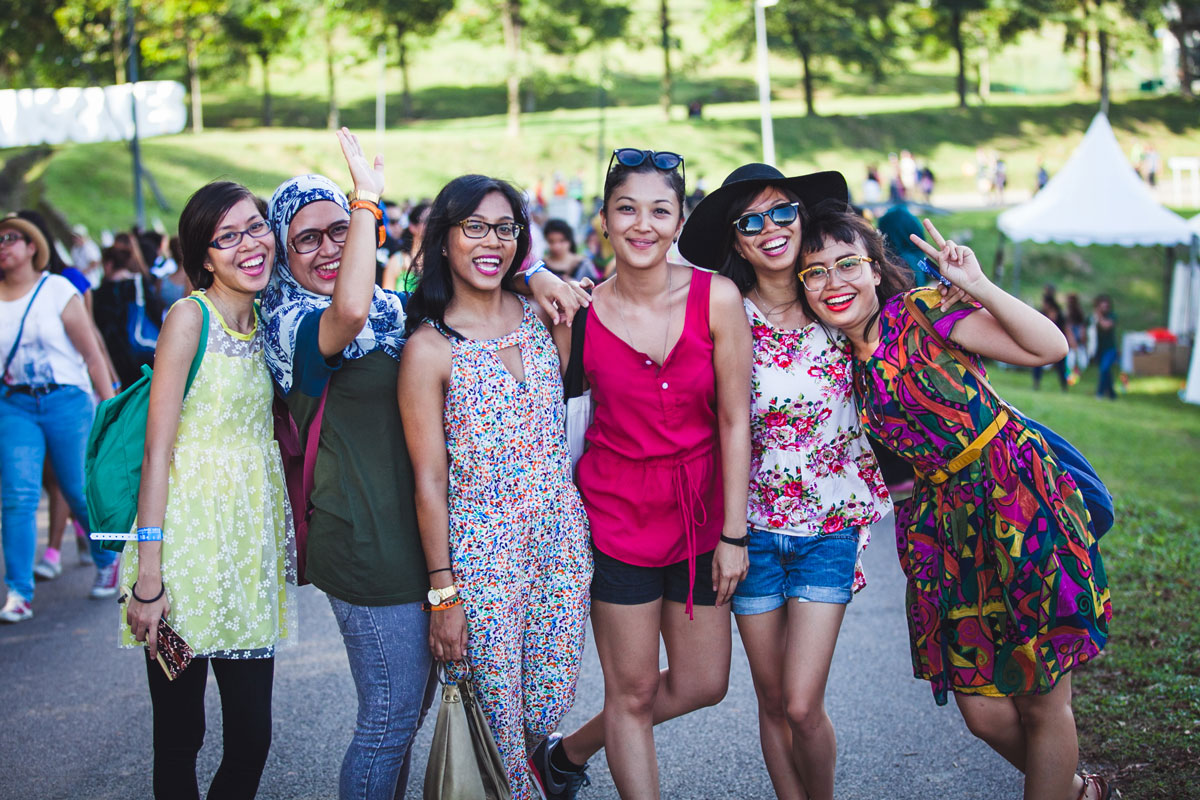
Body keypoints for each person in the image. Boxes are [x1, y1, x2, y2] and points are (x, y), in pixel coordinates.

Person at [797, 201, 1113, 800]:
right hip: (944, 533)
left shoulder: (923, 311)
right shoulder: (834, 362)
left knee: (1041, 697)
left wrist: (980, 286)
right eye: (816, 272)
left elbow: (1049, 348)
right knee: (983, 713)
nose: (834, 282)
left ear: (874, 268)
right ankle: (1075, 790)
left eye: (847, 264)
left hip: (1015, 501)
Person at [528, 149, 752, 800]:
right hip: (615, 519)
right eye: (626, 209)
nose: (642, 224)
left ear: (679, 220)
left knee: (704, 682)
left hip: (700, 517)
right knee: (631, 691)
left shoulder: (717, 298)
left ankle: (566, 752)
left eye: (660, 210)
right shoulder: (578, 313)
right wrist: (535, 275)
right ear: (603, 219)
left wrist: (733, 534)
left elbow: (735, 420)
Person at [676, 164, 894, 800]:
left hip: (829, 528)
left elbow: (911, 334)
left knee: (802, 702)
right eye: (751, 221)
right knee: (772, 701)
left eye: (781, 212)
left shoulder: (835, 297)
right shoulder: (724, 313)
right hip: (750, 534)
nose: (769, 228)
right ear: (737, 243)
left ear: (802, 218)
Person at [398, 174, 593, 800]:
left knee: (548, 700)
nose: (492, 242)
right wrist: (443, 596)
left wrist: (540, 277)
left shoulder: (545, 314)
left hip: (561, 542)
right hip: (483, 556)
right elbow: (429, 481)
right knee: (497, 717)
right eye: (474, 227)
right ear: (444, 239)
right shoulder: (429, 347)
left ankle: (530, 777)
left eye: (505, 228)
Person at [260, 131, 436, 800]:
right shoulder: (288, 324)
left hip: (420, 535)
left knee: (409, 713)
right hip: (364, 543)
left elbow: (462, 302)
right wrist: (365, 201)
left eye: (340, 229)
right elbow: (350, 310)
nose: (330, 247)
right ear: (283, 254)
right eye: (307, 239)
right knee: (388, 719)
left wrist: (536, 274)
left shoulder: (393, 310)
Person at [120, 180, 296, 799]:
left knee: (252, 739)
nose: (249, 244)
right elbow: (156, 452)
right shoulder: (188, 318)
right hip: (184, 555)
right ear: (204, 257)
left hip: (247, 556)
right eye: (228, 237)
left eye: (256, 227)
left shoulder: (271, 321)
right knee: (180, 736)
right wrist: (148, 579)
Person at [0, 214, 118, 622]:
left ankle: (107, 559)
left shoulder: (57, 290)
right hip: (14, 404)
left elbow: (92, 355)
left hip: (67, 400)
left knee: (77, 491)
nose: (3, 245)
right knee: (18, 496)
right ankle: (19, 592)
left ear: (32, 246)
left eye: (11, 238)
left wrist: (110, 410)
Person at [92, 244, 167, 388]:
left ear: (108, 264)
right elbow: (155, 312)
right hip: (145, 351)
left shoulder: (99, 294)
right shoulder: (139, 283)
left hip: (116, 359)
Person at [381, 200, 430, 292]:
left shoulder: (439, 259)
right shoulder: (397, 260)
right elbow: (388, 296)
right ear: (412, 226)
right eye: (427, 220)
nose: (432, 225)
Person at [1032, 284, 1070, 391]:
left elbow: (1064, 328)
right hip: (1043, 342)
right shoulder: (1042, 313)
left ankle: (1064, 385)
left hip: (1056, 343)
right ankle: (1036, 383)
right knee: (1037, 364)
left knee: (1061, 366)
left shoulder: (1058, 313)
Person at [542, 218, 600, 283]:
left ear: (569, 240)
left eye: (562, 241)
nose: (557, 246)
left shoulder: (583, 264)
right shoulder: (542, 265)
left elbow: (595, 286)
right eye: (551, 241)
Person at [1092, 295, 1117, 400]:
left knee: (1104, 369)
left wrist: (1099, 316)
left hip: (1110, 348)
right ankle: (1112, 394)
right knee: (1106, 372)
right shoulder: (1093, 318)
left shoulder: (1111, 316)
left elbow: (1106, 326)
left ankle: (1100, 393)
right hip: (1099, 349)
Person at [1064, 293, 1088, 380]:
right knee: (1071, 361)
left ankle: (1075, 376)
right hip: (1073, 342)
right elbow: (1068, 329)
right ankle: (1071, 377)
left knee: (1080, 362)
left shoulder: (1078, 313)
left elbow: (1082, 328)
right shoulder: (1068, 313)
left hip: (1078, 341)